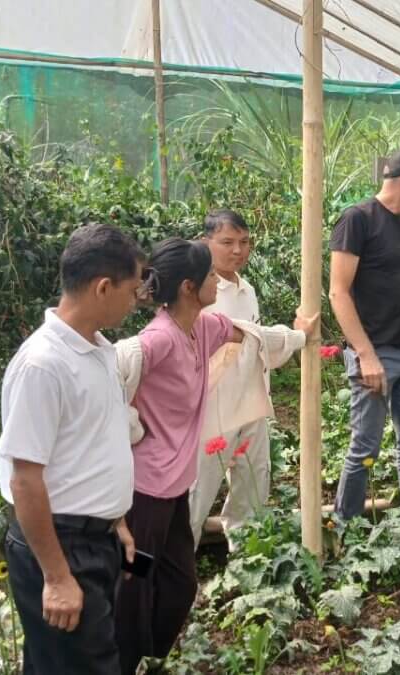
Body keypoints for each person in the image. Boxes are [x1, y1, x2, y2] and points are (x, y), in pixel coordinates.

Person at [113, 237, 313, 674]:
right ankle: (122, 663)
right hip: (143, 497)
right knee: (136, 583)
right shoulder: (158, 340)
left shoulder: (204, 327)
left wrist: (300, 335)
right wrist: (127, 425)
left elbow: (255, 335)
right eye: (208, 278)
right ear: (188, 287)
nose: (216, 284)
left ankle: (148, 654)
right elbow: (113, 372)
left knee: (182, 585)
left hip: (172, 492)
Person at [0, 223, 142, 674]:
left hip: (90, 539)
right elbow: (24, 478)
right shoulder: (43, 366)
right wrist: (57, 577)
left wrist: (115, 520)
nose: (137, 300)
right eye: (133, 289)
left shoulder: (97, 349)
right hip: (61, 545)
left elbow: (94, 444)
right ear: (103, 287)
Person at [329, 146, 400, 520]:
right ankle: (346, 528)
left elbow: (396, 278)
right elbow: (339, 291)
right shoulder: (357, 220)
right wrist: (365, 355)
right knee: (365, 447)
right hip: (377, 354)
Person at [188, 209, 307, 547]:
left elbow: (255, 348)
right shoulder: (199, 292)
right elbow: (249, 337)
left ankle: (245, 555)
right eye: (227, 242)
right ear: (204, 242)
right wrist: (295, 336)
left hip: (252, 400)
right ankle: (176, 574)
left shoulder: (246, 289)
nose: (238, 250)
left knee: (252, 480)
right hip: (213, 407)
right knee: (198, 490)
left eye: (244, 242)